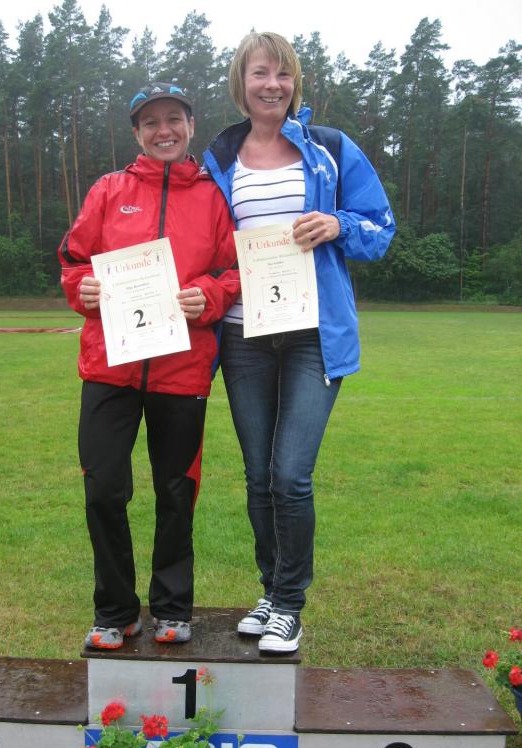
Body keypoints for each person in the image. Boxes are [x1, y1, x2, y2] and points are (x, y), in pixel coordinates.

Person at [203, 33, 395, 653]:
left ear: (295, 83)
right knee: (258, 476)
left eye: (283, 74)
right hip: (244, 335)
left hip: (314, 336)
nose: (273, 85)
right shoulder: (219, 156)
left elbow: (380, 228)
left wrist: (338, 223)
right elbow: (201, 239)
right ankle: (270, 592)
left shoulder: (330, 149)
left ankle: (290, 605)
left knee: (290, 475)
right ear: (242, 81)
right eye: (261, 73)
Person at [59, 83, 239, 649]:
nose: (165, 131)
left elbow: (233, 270)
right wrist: (82, 288)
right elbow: (73, 259)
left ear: (191, 125)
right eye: (152, 122)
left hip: (182, 371)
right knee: (103, 490)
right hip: (108, 370)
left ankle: (172, 607)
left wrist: (209, 296)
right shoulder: (109, 190)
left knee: (177, 491)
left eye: (174, 119)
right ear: (137, 133)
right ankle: (115, 611)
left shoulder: (213, 196)